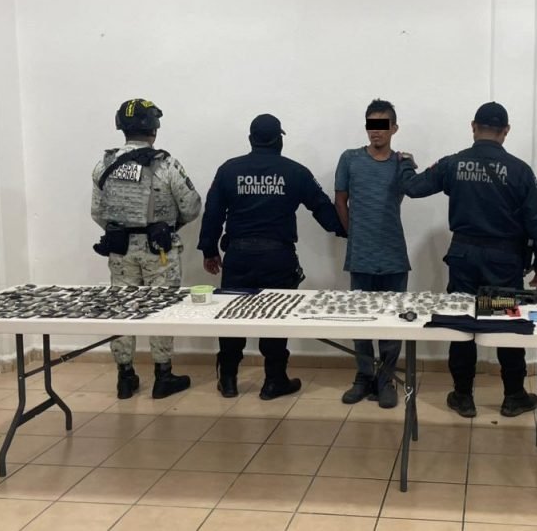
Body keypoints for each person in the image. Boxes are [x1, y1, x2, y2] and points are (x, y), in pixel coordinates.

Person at [400, 102, 537, 418]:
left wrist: (405, 165)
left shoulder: (453, 164)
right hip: (504, 263)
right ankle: (514, 396)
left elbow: (413, 188)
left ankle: (462, 396)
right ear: (506, 131)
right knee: (507, 324)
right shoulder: (520, 170)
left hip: (464, 259)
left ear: (473, 126)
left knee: (462, 323)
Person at [199, 114, 347, 399]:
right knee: (275, 317)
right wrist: (346, 231)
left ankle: (228, 380)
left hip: (238, 256)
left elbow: (213, 212)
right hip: (278, 257)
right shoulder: (295, 171)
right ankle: (274, 381)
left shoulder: (229, 170)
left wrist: (209, 250)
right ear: (279, 140)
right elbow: (321, 207)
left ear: (251, 139)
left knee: (233, 318)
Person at [91, 98, 201, 399]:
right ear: (154, 128)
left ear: (121, 127)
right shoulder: (165, 164)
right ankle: (163, 376)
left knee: (121, 310)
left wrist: (123, 230)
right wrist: (168, 226)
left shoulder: (105, 164)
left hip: (120, 250)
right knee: (162, 309)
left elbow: (97, 212)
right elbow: (191, 206)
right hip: (159, 251)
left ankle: (125, 377)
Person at [334, 99, 411, 409]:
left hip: (393, 253)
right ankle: (364, 376)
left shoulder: (402, 162)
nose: (375, 132)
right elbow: (340, 201)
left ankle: (386, 378)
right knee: (361, 318)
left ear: (394, 128)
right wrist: (354, 233)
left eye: (382, 125)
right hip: (361, 253)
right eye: (371, 125)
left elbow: (403, 195)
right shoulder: (350, 159)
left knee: (392, 319)